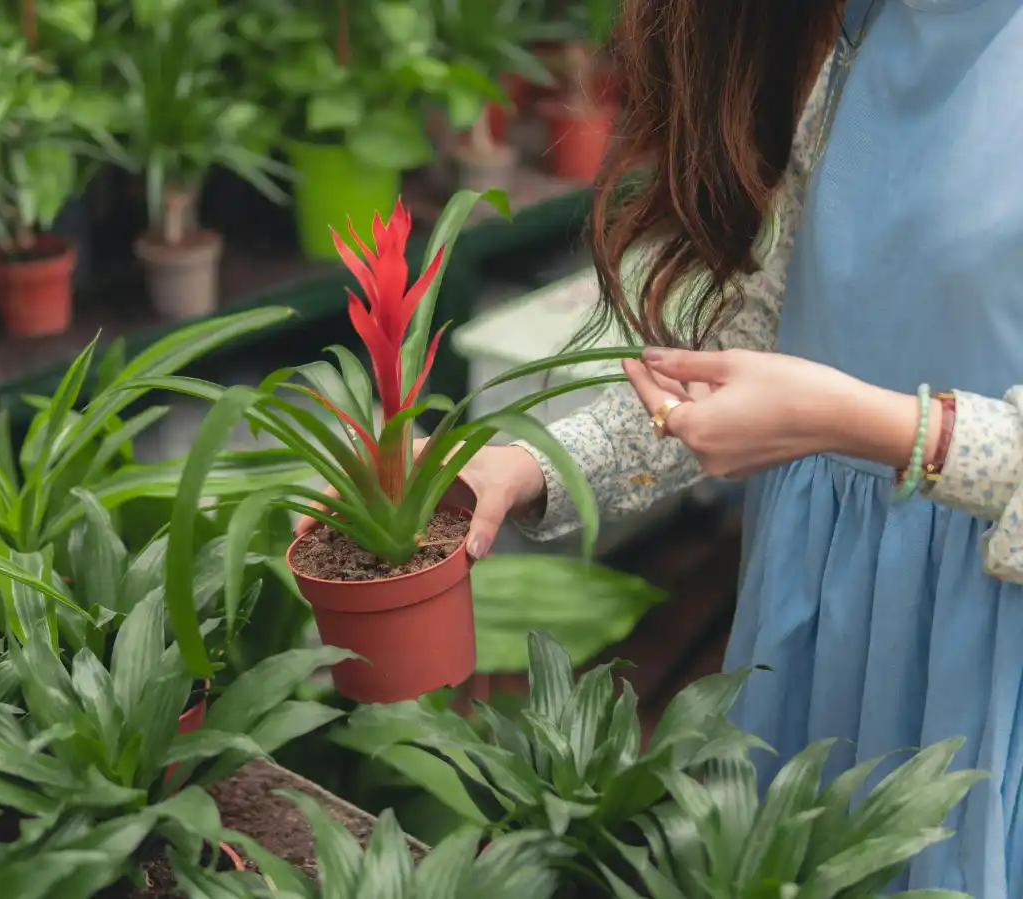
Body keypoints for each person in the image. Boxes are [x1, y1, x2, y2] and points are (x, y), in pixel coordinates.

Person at [297, 0, 1023, 892]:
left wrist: (874, 425)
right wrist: (528, 465)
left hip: (983, 633)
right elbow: (758, 342)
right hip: (820, 605)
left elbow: (813, 393)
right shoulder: (867, 36)